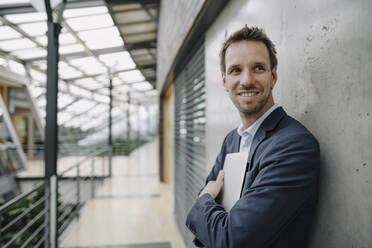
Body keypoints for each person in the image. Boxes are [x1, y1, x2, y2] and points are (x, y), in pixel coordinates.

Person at [185, 26, 320, 248]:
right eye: (236, 70)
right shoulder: (232, 141)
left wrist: (204, 199)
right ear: (224, 80)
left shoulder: (295, 145)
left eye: (258, 68)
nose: (247, 80)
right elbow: (207, 221)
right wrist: (207, 201)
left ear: (273, 76)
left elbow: (232, 240)